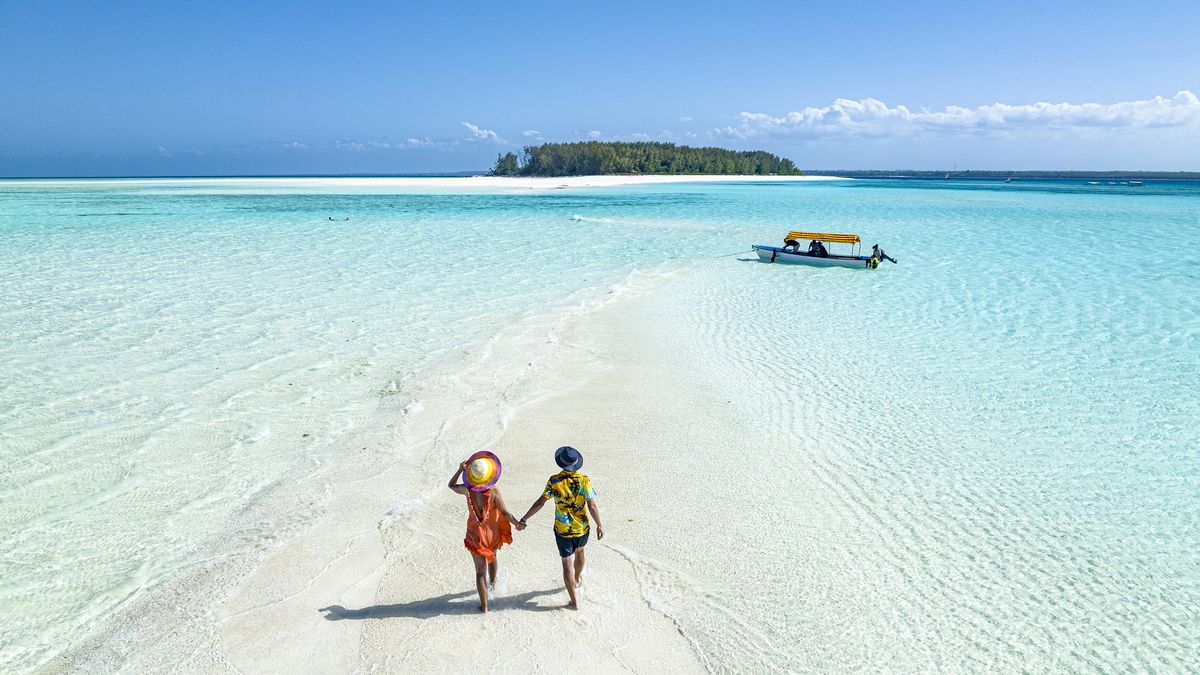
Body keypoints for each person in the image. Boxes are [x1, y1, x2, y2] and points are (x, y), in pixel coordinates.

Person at [518, 446, 604, 610]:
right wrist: (599, 524)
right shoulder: (584, 480)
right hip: (582, 528)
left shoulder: (554, 481)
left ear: (561, 463)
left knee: (566, 563)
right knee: (580, 552)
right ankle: (577, 579)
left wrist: (524, 519)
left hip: (563, 530)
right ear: (576, 463)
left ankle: (574, 601)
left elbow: (540, 502)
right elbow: (592, 505)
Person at [447, 452, 524, 613]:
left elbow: (451, 485)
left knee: (479, 572)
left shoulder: (467, 490)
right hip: (492, 533)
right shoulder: (494, 491)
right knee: (493, 557)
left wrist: (459, 471)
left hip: (475, 534)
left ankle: (485, 607)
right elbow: (505, 512)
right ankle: (493, 585)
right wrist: (517, 524)